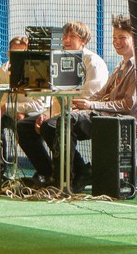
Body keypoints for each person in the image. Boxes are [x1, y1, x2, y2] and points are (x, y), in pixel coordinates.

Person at [27, 15, 137, 193]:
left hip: (116, 118)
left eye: (122, 37)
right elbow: (101, 94)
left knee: (63, 121)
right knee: (47, 124)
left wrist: (91, 105)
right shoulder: (120, 66)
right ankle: (71, 173)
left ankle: (65, 182)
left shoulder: (136, 68)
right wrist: (83, 104)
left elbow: (127, 104)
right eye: (114, 37)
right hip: (100, 113)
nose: (117, 42)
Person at [17, 20, 109, 188]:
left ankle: (78, 172)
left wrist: (53, 116)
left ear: (84, 40)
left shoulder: (93, 62)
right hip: (61, 113)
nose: (66, 40)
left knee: (51, 126)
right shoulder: (60, 59)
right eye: (65, 36)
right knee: (24, 126)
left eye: (72, 36)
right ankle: (47, 173)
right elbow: (56, 96)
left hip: (87, 114)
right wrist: (46, 114)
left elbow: (88, 99)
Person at [0, 35, 50, 174]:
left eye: (23, 54)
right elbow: (2, 100)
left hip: (37, 112)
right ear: (9, 53)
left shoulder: (38, 70)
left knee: (25, 126)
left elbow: (38, 104)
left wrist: (16, 109)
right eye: (15, 53)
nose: (19, 58)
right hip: (12, 112)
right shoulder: (3, 71)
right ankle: (0, 171)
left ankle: (46, 171)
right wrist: (14, 111)